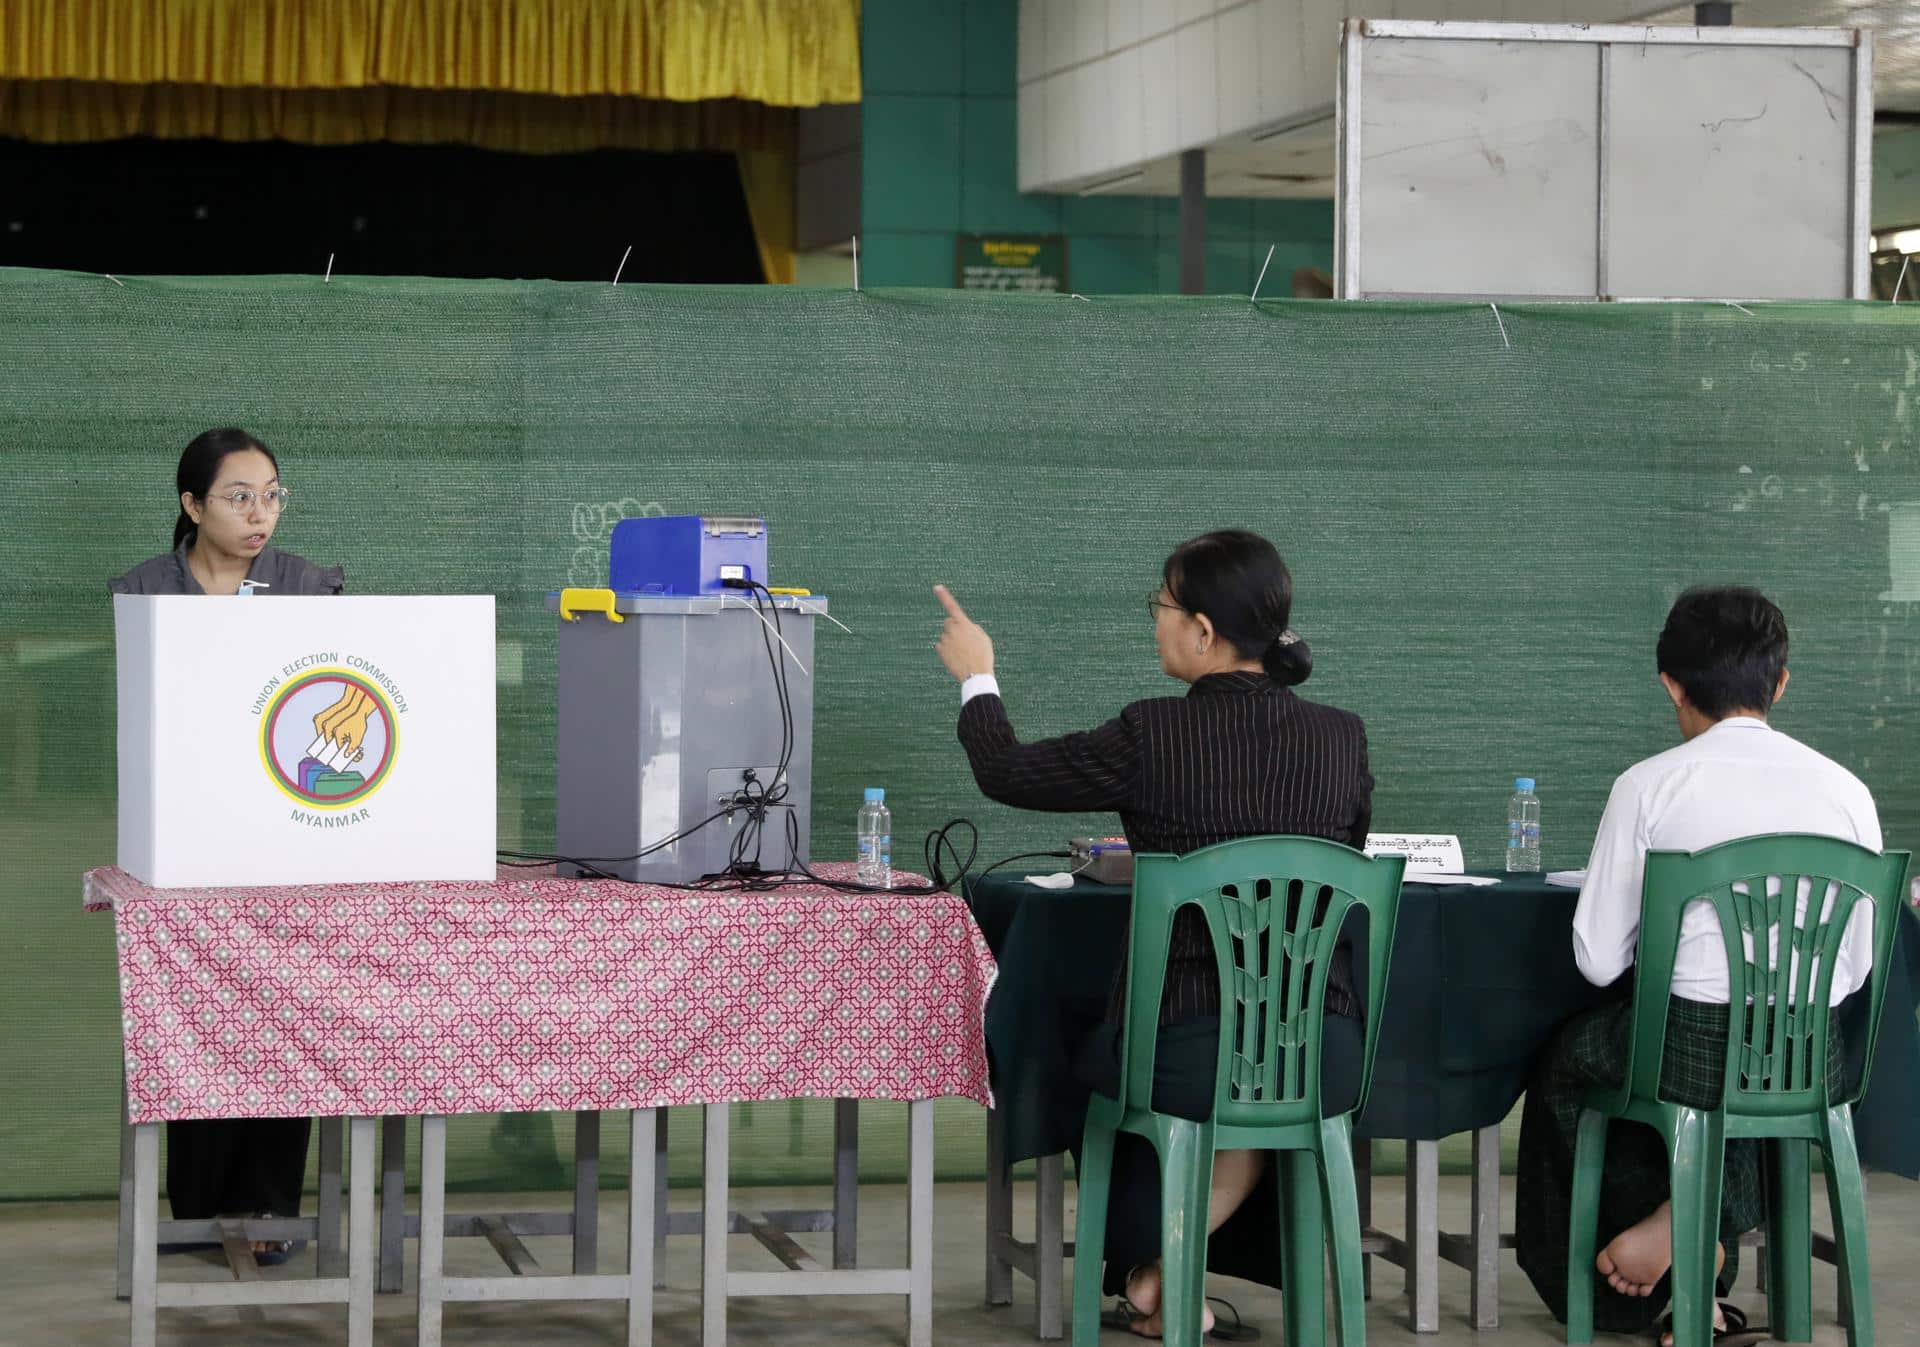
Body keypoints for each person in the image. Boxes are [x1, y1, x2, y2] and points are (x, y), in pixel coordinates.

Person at [933, 529, 1373, 1340]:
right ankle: (1166, 1275)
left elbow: (1008, 772)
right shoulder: (1343, 736)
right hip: (1323, 1050)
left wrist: (977, 674)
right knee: (1249, 1075)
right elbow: (1335, 863)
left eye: (1160, 607)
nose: (1155, 623)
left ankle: (1141, 1260)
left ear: (1203, 631)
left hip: (1183, 1051)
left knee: (1073, 1039)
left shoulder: (1153, 734)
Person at [1516, 586, 1882, 1344]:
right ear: (1780, 683)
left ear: (1671, 684)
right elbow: (1852, 968)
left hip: (1681, 1055)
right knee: (1743, 1058)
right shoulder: (1849, 792)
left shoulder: (1650, 785)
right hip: (1813, 1058)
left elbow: (1595, 958)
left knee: (1572, 1062)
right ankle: (1695, 1239)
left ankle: (1640, 1280)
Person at [110, 427, 343, 1263]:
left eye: (272, 494)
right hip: (183, 849)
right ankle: (196, 1208)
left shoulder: (311, 588)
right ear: (191, 505)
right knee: (197, 1023)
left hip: (291, 842)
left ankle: (270, 1213)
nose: (259, 513)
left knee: (286, 1023)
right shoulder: (143, 592)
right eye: (239, 495)